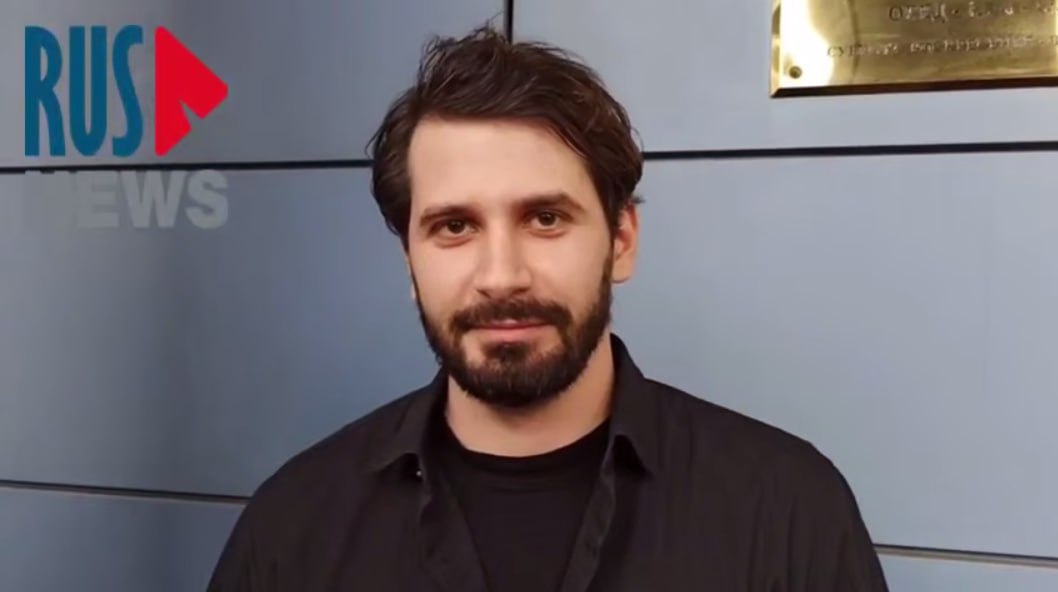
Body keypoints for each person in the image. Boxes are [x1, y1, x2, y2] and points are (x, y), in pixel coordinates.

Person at [207, 24, 890, 592]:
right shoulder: (293, 528)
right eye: (454, 226)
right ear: (410, 264)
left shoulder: (789, 511)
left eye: (545, 219)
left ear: (621, 241)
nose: (502, 276)